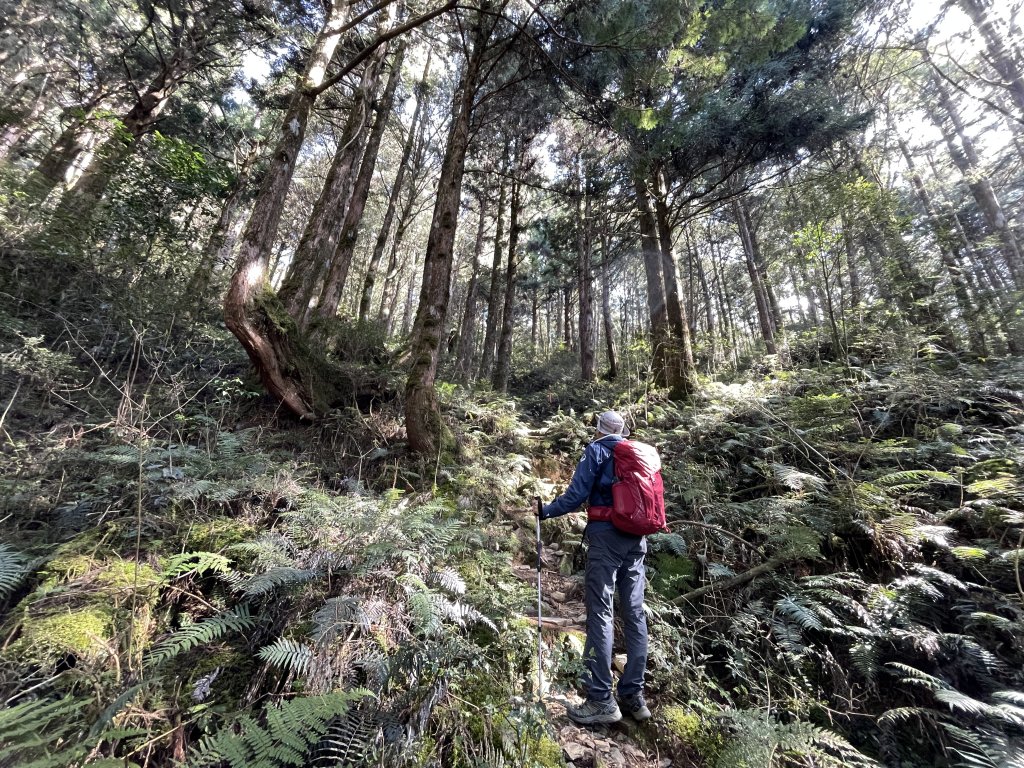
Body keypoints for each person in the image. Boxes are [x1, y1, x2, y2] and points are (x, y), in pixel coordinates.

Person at [538, 410, 652, 725]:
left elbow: (576, 496)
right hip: (637, 539)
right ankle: (633, 695)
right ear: (623, 431)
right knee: (634, 613)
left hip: (606, 538)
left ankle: (601, 698)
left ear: (599, 429)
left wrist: (546, 511)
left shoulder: (597, 450)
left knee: (601, 611)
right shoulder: (637, 454)